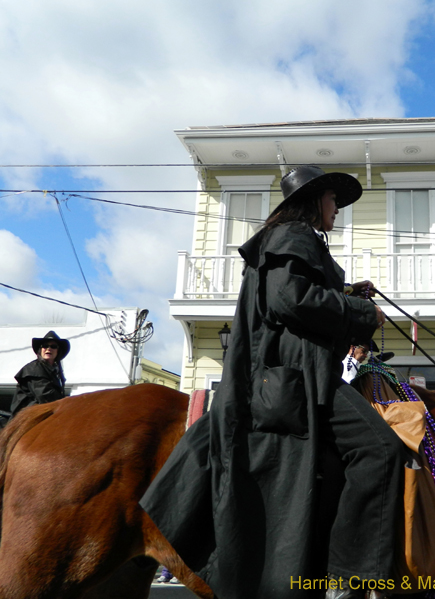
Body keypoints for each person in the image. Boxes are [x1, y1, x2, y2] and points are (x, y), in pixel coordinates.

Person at [140, 165, 407, 599]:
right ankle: (348, 576)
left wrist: (350, 296)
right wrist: (360, 313)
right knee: (381, 449)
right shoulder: (294, 236)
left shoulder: (291, 240)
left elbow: (303, 300)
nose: (337, 209)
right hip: (299, 381)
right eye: (332, 200)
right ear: (313, 201)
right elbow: (291, 299)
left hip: (299, 375)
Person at [10, 331, 70, 418]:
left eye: (53, 346)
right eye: (45, 346)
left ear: (58, 351)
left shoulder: (55, 372)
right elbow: (45, 396)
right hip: (25, 417)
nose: (48, 349)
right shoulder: (33, 369)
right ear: (40, 349)